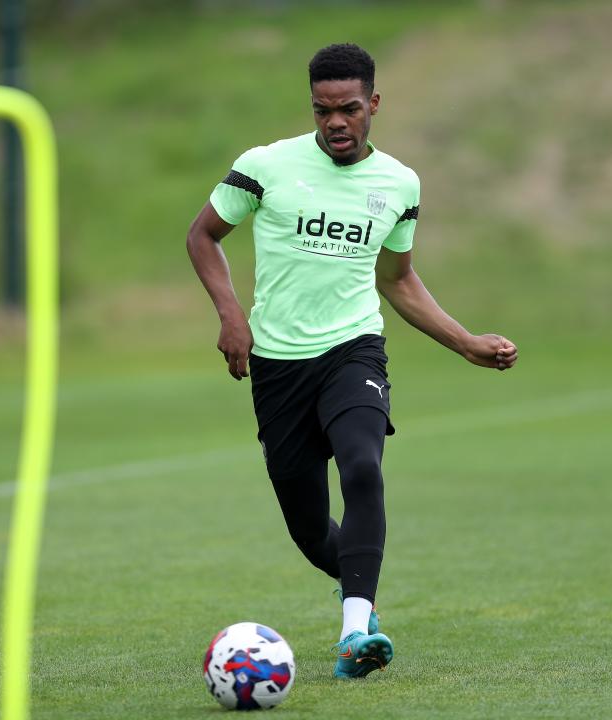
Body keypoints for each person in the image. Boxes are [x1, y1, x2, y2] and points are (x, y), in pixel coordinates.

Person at [186, 43, 518, 679]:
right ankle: (356, 590)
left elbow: (398, 279)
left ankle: (354, 634)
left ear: (374, 104)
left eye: (349, 109)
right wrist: (231, 314)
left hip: (353, 348)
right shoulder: (265, 166)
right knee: (311, 531)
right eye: (323, 111)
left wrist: (465, 341)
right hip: (279, 364)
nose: (336, 122)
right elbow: (203, 234)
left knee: (363, 466)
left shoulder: (399, 183)